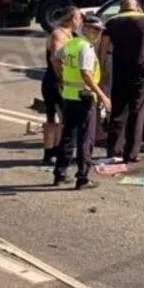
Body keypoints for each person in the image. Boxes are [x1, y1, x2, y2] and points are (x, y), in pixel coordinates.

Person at [102, 0, 144, 163]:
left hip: (120, 69)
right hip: (141, 69)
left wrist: (102, 70)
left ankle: (114, 150)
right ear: (136, 6)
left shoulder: (111, 21)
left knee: (118, 110)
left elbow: (103, 47)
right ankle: (131, 153)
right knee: (137, 110)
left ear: (121, 8)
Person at [53, 11, 111, 188]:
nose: (98, 33)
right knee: (86, 138)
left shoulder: (71, 44)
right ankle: (83, 178)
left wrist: (63, 79)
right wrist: (103, 96)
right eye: (95, 29)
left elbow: (55, 58)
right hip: (85, 98)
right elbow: (86, 74)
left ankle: (60, 173)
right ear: (85, 28)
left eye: (100, 30)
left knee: (68, 135)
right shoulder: (85, 47)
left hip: (69, 95)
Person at [40, 5, 82, 165]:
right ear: (71, 19)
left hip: (64, 82)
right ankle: (51, 153)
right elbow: (55, 58)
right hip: (55, 81)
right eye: (78, 17)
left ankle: (58, 151)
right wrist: (63, 79)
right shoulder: (58, 34)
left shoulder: (72, 35)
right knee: (57, 118)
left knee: (63, 118)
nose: (80, 21)